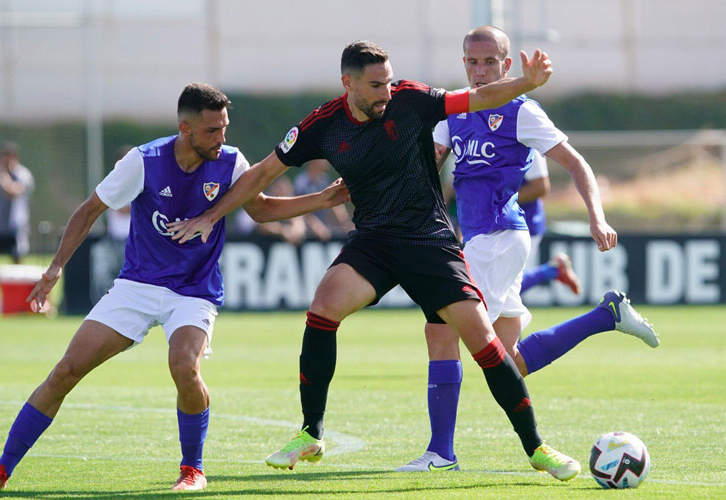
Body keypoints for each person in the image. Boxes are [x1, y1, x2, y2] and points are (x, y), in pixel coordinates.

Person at [168, 40, 584, 481]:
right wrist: (211, 215)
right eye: (375, 84)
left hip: (429, 241)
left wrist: (527, 82)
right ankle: (311, 432)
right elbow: (262, 173)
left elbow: (479, 98)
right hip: (374, 241)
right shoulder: (322, 126)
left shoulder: (412, 99)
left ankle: (536, 447)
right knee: (323, 307)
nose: (386, 91)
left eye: (388, 81)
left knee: (484, 342)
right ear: (348, 83)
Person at [0, 83, 349, 492]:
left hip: (193, 291)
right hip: (137, 286)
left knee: (184, 365)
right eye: (212, 130)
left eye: (225, 128)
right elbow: (90, 209)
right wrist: (56, 267)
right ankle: (0, 470)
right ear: (185, 128)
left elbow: (263, 208)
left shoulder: (231, 161)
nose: (222, 139)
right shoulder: (143, 161)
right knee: (66, 370)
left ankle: (192, 470)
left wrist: (322, 200)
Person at [404, 26, 658, 472]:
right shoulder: (454, 109)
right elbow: (430, 165)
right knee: (509, 361)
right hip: (483, 240)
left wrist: (596, 217)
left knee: (440, 329)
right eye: (472, 61)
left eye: (489, 62)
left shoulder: (522, 111)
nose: (480, 72)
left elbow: (575, 162)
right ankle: (607, 315)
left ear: (507, 65)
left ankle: (440, 453)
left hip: (499, 237)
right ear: (463, 63)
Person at [518, 153, 581, 295]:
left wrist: (498, 202)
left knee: (504, 288)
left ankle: (553, 271)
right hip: (489, 223)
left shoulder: (528, 140)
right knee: (499, 286)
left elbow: (540, 187)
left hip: (525, 223)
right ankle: (553, 270)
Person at [0, 141, 35, 280]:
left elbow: (11, 192)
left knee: (17, 261)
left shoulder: (23, 174)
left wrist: (4, 176)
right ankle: (2, 285)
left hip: (15, 226)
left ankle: (18, 289)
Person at [294, 159, 353, 241]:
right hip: (306, 231)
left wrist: (346, 223)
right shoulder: (302, 181)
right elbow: (299, 207)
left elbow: (336, 206)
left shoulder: (325, 180)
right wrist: (316, 226)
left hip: (324, 230)